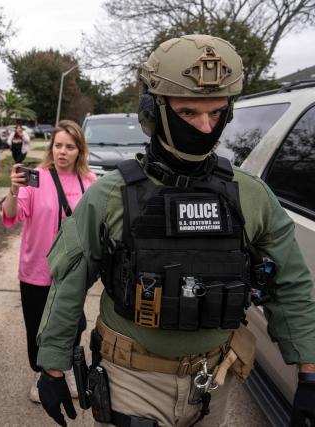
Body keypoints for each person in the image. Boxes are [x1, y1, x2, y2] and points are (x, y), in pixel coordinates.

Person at [35, 35, 315, 427]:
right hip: (132, 379)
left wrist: (309, 369)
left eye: (216, 113)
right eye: (188, 113)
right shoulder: (110, 195)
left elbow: (291, 283)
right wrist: (52, 366)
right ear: (154, 112)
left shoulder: (252, 196)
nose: (204, 127)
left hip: (214, 379)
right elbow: (69, 282)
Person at [2, 119, 96, 403]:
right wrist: (13, 190)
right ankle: (42, 374)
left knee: (72, 323)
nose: (62, 152)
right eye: (58, 145)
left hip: (72, 272)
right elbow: (12, 216)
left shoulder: (90, 182)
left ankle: (64, 369)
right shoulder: (36, 178)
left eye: (70, 146)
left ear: (79, 151)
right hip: (36, 269)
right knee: (37, 326)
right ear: (51, 148)